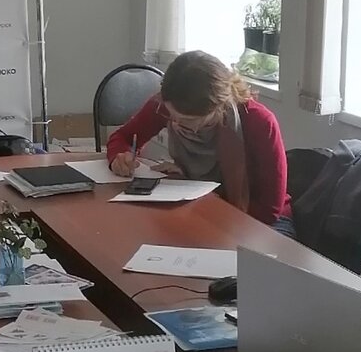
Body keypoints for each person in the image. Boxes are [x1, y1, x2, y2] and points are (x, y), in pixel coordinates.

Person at [106, 50, 293, 233]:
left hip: (263, 223)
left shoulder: (258, 121)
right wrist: (119, 158)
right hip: (200, 207)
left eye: (188, 121)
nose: (176, 123)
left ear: (217, 107)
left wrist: (196, 189)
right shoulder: (167, 104)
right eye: (172, 115)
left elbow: (269, 210)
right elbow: (122, 137)